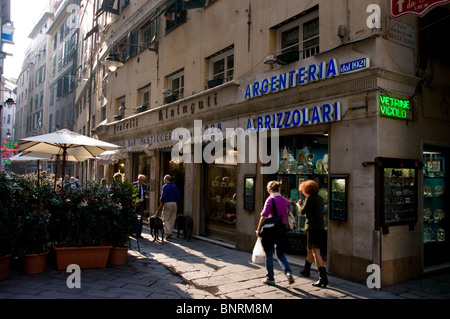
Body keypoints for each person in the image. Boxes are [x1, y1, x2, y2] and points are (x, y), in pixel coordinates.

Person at [256, 181, 294, 286]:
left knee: (269, 254)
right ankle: (288, 272)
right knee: (280, 253)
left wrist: (258, 229)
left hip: (270, 230)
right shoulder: (285, 200)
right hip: (281, 229)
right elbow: (289, 212)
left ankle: (270, 278)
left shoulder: (270, 199)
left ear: (270, 189)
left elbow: (264, 215)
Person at [298, 180, 328, 288]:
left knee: (316, 252)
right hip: (319, 227)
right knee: (310, 249)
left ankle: (323, 278)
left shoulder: (309, 199)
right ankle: (306, 269)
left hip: (313, 228)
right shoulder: (320, 198)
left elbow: (302, 211)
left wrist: (299, 205)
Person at [160, 174, 181, 240]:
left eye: (164, 180)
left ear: (166, 180)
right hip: (174, 203)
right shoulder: (175, 186)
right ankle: (171, 233)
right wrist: (178, 204)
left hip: (168, 203)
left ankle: (168, 232)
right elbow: (178, 196)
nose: (164, 181)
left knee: (165, 218)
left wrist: (161, 200)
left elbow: (163, 195)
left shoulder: (165, 186)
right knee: (172, 219)